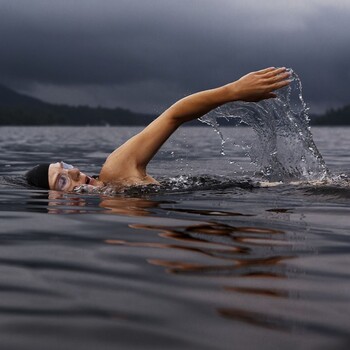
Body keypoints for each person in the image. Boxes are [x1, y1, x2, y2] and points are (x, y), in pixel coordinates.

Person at [26, 67, 291, 191]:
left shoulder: (115, 171)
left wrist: (233, 91)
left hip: (272, 191)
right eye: (61, 180)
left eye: (66, 166)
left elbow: (173, 115)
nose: (73, 171)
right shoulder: (112, 205)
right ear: (55, 205)